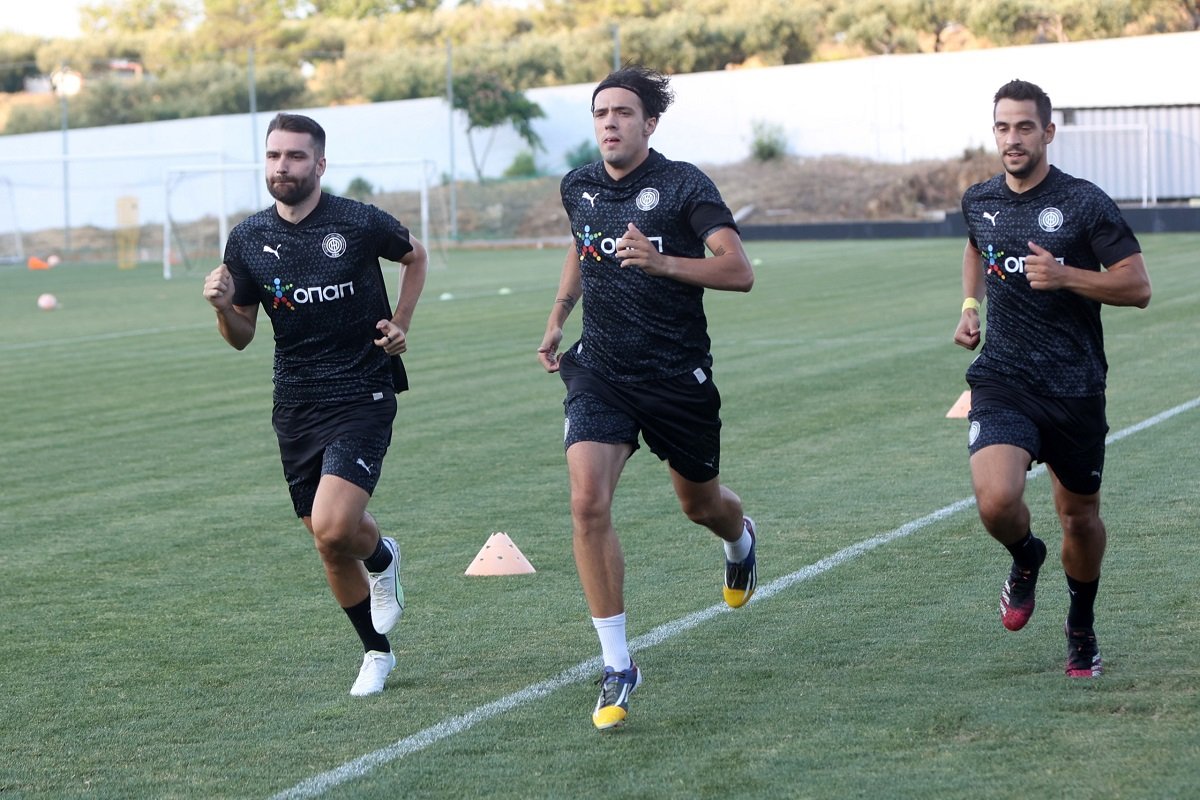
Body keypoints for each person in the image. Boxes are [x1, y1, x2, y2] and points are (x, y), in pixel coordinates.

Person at [536, 66, 758, 729]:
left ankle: (740, 539)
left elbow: (739, 270)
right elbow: (582, 246)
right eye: (601, 112)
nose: (610, 122)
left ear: (649, 123)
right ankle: (618, 665)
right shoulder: (578, 185)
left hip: (676, 378)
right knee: (587, 500)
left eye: (624, 112)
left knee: (701, 505)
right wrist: (559, 314)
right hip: (601, 371)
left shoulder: (684, 185)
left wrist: (662, 262)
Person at [202, 113, 428, 696]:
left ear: (320, 164)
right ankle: (376, 649)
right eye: (274, 155)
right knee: (327, 540)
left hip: (362, 390)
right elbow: (242, 336)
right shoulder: (247, 238)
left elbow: (416, 256)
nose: (283, 166)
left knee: (332, 525)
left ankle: (380, 562)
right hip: (296, 402)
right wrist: (223, 308)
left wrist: (400, 323)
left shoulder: (357, 221)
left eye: (296, 156)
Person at [954, 79, 1150, 677]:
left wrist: (1067, 276)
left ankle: (1081, 627)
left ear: (1048, 132)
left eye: (1024, 127)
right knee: (996, 499)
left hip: (1074, 385)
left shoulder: (1085, 202)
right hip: (1003, 377)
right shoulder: (979, 198)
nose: (1012, 139)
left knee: (1079, 519)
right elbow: (977, 247)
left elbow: (1137, 286)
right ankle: (1026, 555)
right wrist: (971, 306)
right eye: (1003, 127)